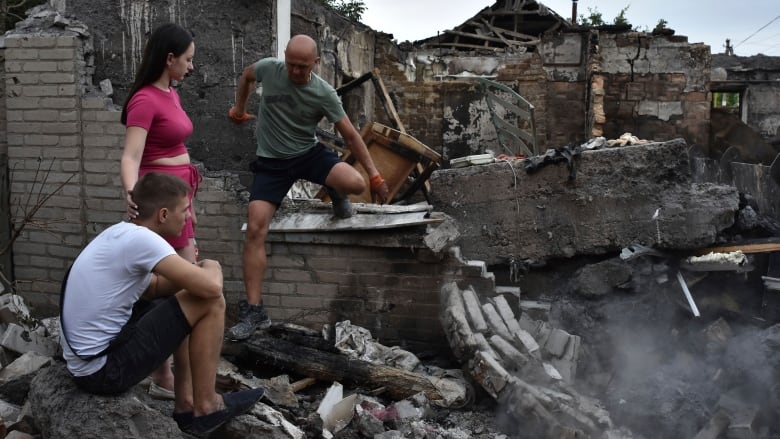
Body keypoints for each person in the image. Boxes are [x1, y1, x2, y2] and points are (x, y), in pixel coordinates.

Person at [59, 172, 264, 436]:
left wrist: (190, 272)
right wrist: (211, 266)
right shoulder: (144, 240)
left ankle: (186, 405)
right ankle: (206, 406)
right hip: (104, 371)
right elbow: (212, 288)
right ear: (164, 215)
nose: (189, 217)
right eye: (185, 210)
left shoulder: (120, 234)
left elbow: (154, 289)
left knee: (181, 298)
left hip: (88, 366)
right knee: (211, 302)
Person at [226, 34, 390, 340]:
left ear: (315, 63)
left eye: (302, 67)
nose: (295, 72)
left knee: (354, 183)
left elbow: (352, 136)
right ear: (284, 58)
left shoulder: (324, 93)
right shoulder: (269, 69)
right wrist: (239, 108)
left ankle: (335, 188)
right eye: (291, 65)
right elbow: (247, 76)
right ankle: (255, 312)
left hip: (307, 155)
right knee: (255, 229)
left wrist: (375, 176)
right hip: (271, 163)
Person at [119, 22, 201, 394]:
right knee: (180, 286)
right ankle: (166, 373)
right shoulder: (144, 99)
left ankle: (174, 373)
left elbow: (177, 150)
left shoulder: (172, 94)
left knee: (183, 283)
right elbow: (131, 155)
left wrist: (190, 204)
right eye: (187, 59)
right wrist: (132, 193)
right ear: (169, 59)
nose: (191, 66)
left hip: (179, 200)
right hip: (160, 206)